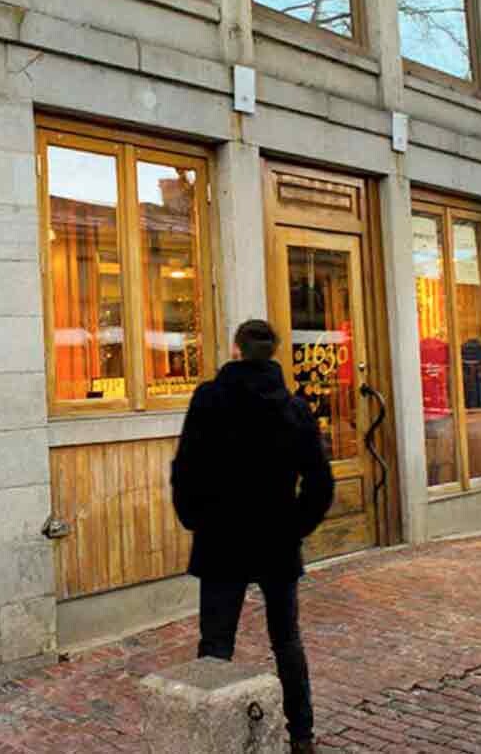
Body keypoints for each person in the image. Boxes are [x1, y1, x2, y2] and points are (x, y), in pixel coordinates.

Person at [171, 319, 335, 754]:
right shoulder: (294, 409)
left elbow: (185, 469)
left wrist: (195, 518)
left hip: (220, 537)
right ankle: (302, 735)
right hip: (275, 538)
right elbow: (320, 483)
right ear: (273, 352)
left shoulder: (209, 399)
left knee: (216, 645)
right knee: (287, 641)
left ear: (236, 349)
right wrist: (295, 526)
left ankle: (210, 739)